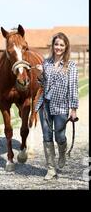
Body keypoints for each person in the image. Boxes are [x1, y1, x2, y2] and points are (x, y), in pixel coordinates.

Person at [35, 32, 79, 180]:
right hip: (45, 105)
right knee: (46, 136)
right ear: (53, 46)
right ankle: (50, 169)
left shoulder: (71, 66)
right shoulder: (45, 63)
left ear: (65, 47)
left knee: (59, 136)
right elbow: (42, 84)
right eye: (56, 44)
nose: (58, 47)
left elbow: (73, 87)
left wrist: (73, 109)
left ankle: (62, 151)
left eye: (61, 44)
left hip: (61, 106)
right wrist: (40, 74)